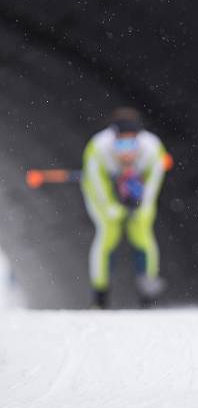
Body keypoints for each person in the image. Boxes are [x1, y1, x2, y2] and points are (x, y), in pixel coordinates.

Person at [80, 107, 168, 308]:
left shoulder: (153, 149)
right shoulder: (98, 149)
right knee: (108, 233)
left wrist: (142, 206)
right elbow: (96, 185)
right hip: (103, 193)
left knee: (142, 233)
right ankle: (100, 295)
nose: (127, 151)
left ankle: (147, 290)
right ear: (113, 139)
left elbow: (153, 184)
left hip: (137, 190)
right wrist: (111, 209)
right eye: (122, 144)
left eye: (131, 144)